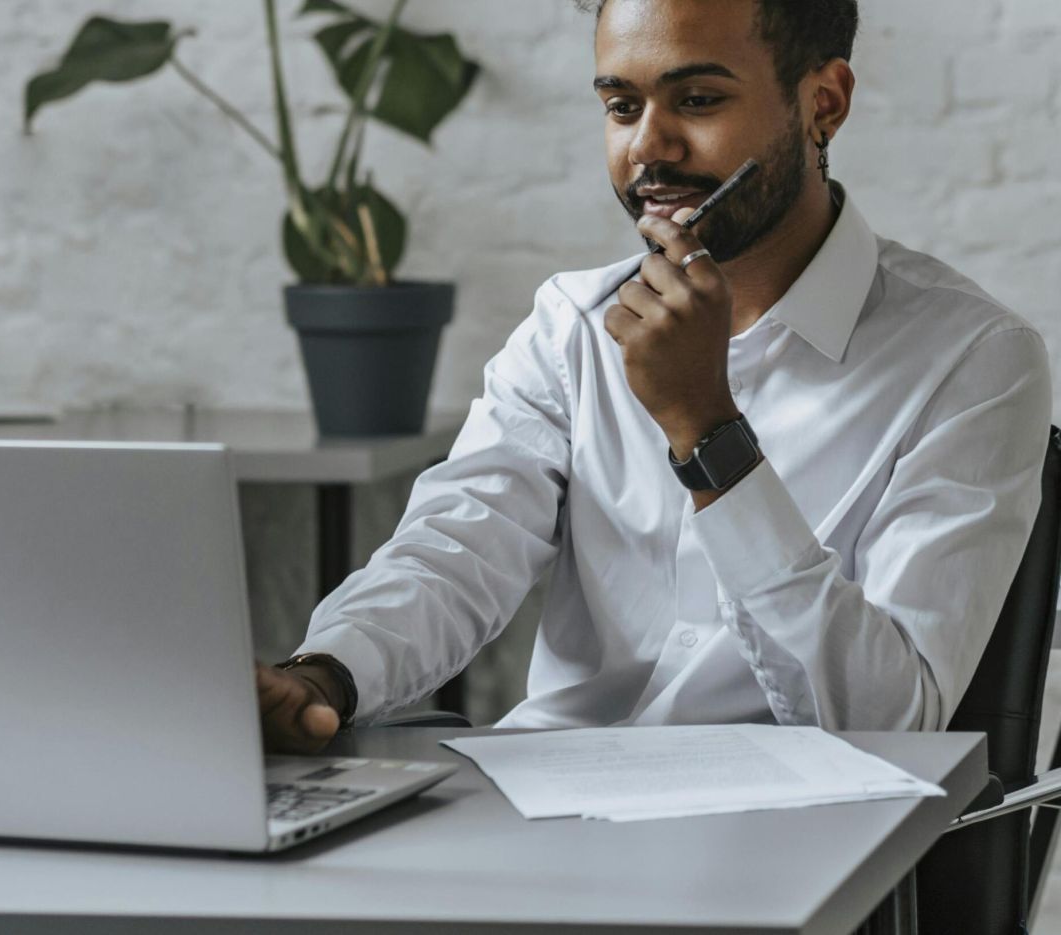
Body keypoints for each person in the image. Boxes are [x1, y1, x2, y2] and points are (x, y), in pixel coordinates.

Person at [258, 0, 1052, 753]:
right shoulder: (572, 325)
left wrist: (708, 433)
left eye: (697, 100)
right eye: (621, 106)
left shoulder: (973, 360)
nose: (648, 145)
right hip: (549, 804)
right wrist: (326, 674)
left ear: (823, 103)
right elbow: (454, 551)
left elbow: (893, 725)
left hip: (797, 829)